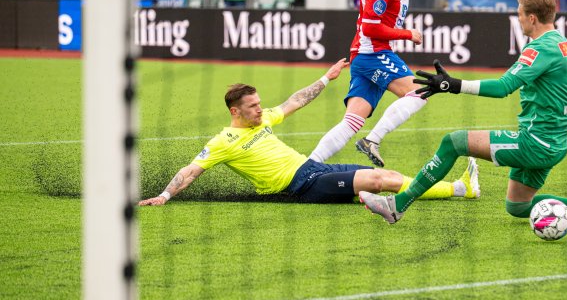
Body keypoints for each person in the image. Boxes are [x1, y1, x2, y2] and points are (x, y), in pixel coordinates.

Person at [359, 0, 567, 234]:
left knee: (453, 142)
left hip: (536, 143)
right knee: (518, 206)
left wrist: (453, 85)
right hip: (555, 142)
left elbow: (503, 87)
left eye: (520, 12)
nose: (518, 17)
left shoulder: (538, 49)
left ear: (532, 18)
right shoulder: (563, 44)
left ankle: (396, 206)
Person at [138, 63, 480, 207]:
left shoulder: (263, 121)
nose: (261, 109)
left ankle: (460, 188)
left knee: (388, 176)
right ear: (235, 111)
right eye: (253, 106)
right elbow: (191, 170)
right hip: (301, 185)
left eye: (259, 104)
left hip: (312, 169)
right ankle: (460, 190)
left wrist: (327, 78)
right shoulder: (223, 142)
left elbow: (294, 101)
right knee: (381, 181)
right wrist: (165, 195)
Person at [308, 0, 424, 168]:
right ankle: (373, 140)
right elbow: (371, 29)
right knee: (420, 92)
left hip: (366, 56)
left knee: (351, 122)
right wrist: (408, 34)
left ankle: (308, 165)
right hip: (374, 54)